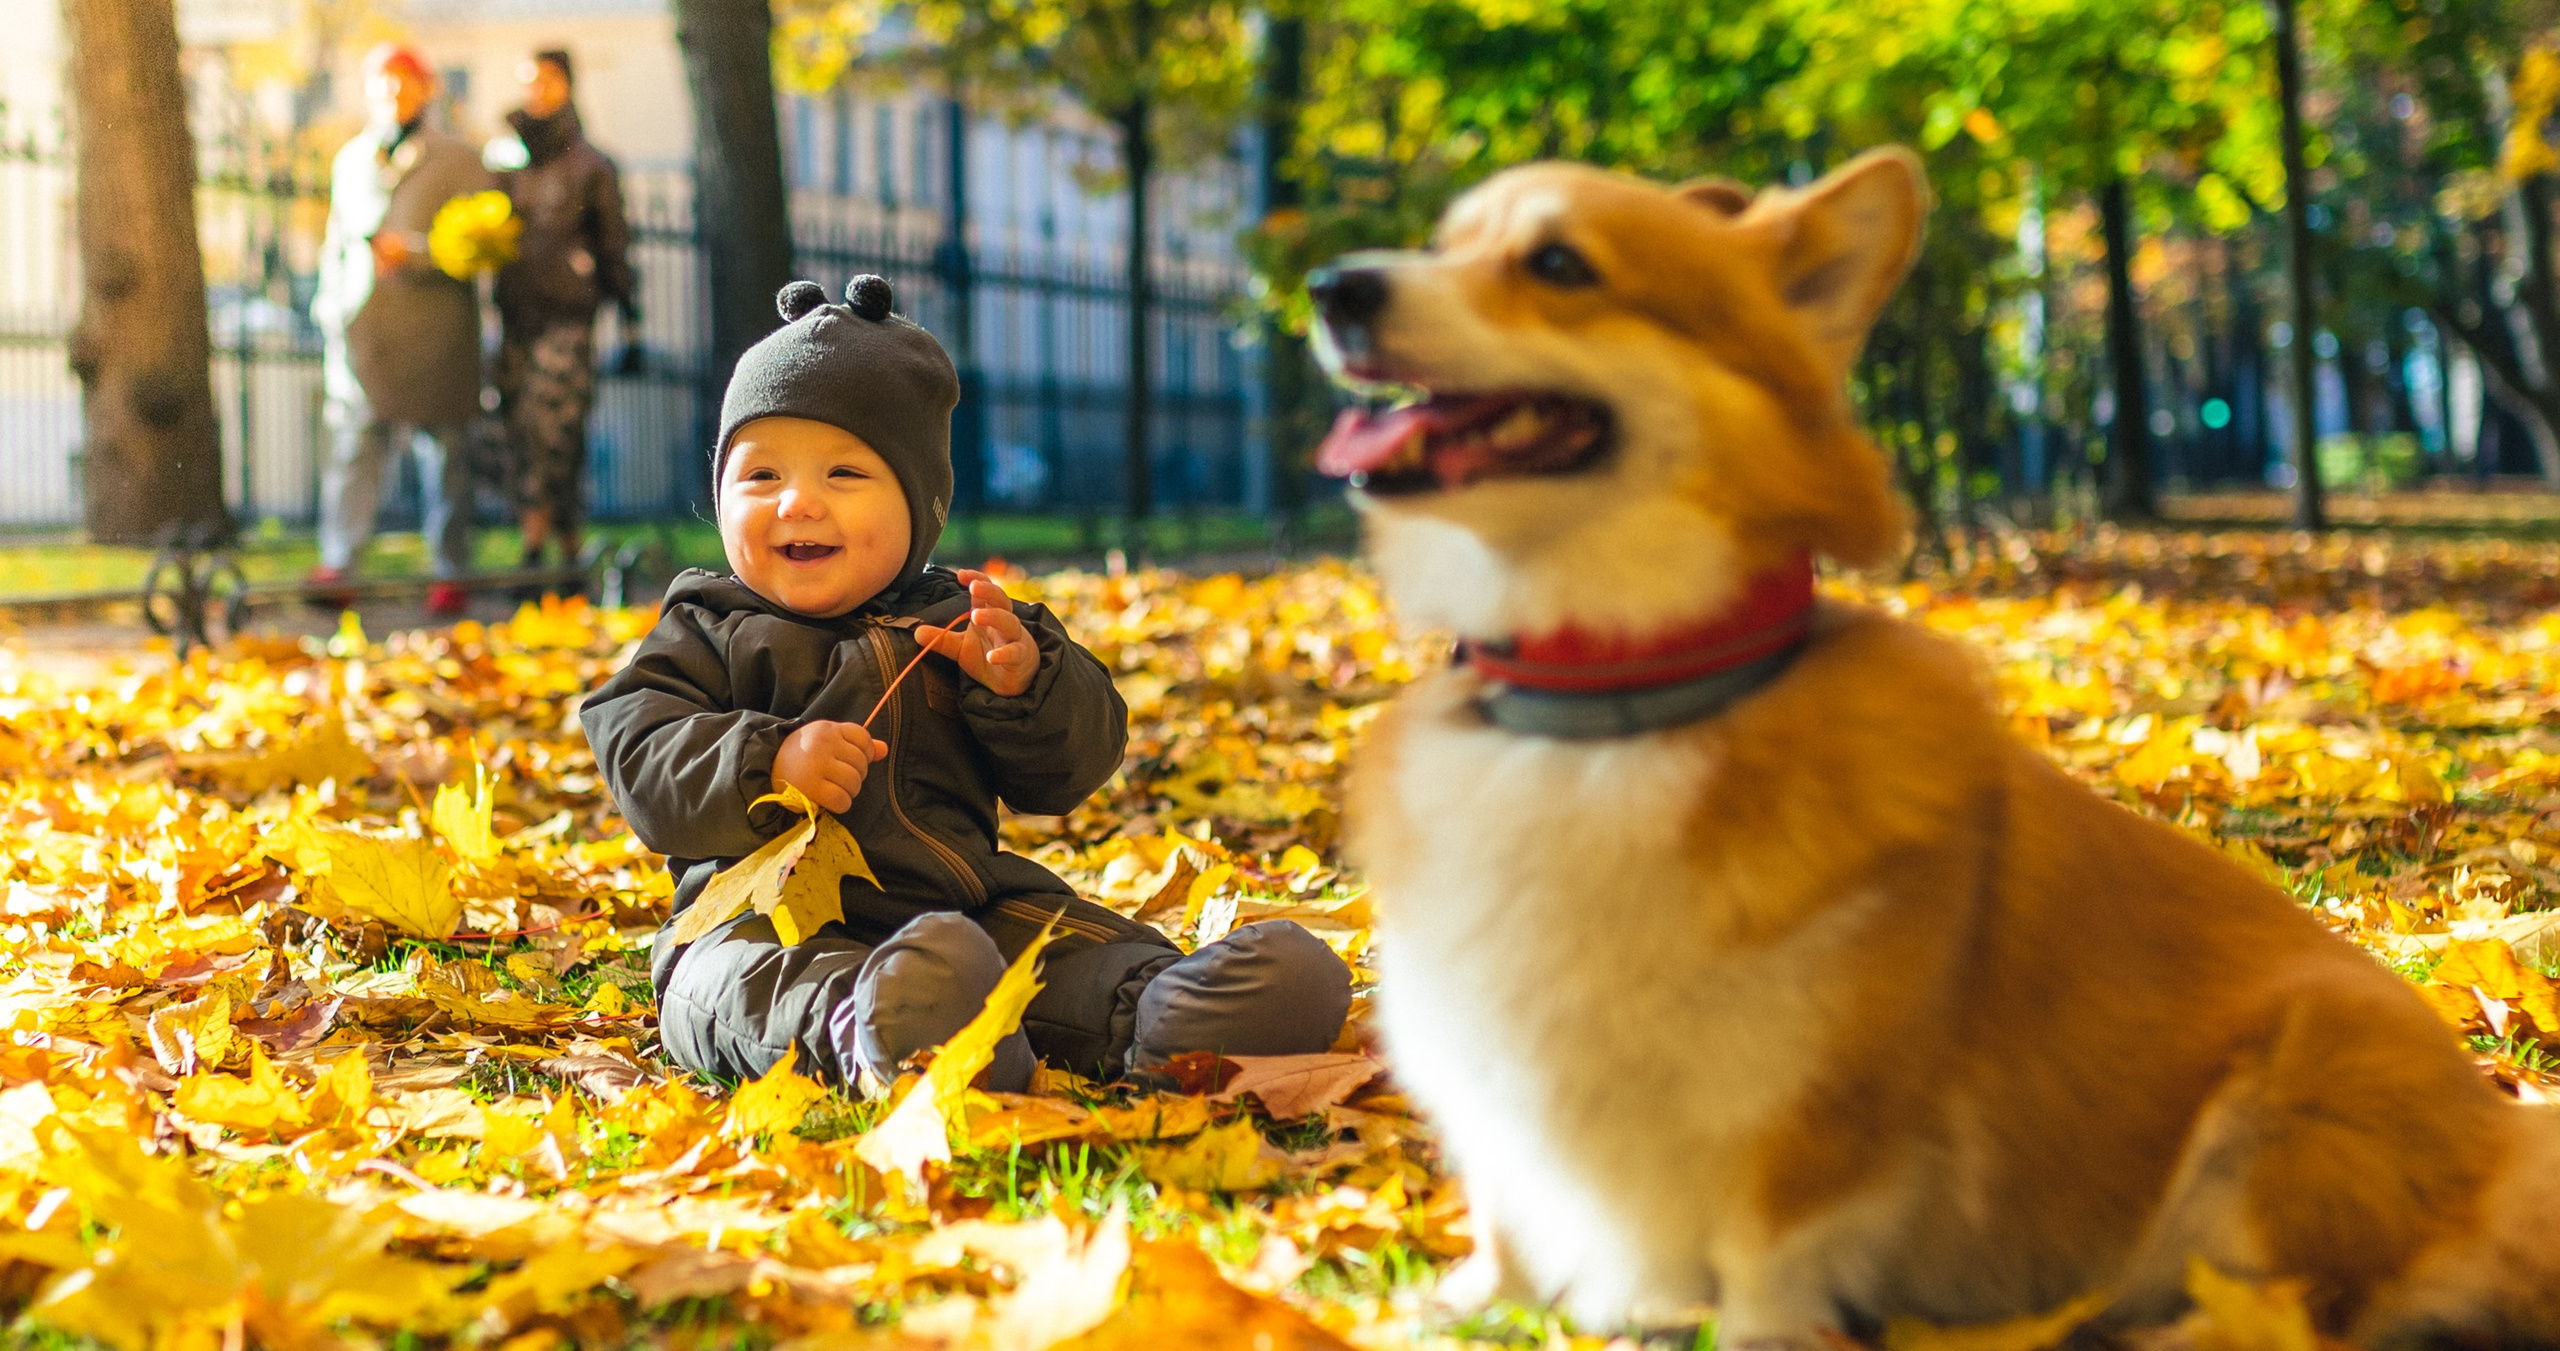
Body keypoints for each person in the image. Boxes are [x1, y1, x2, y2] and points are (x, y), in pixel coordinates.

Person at [580, 276, 1352, 1090]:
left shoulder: (963, 621)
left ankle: (1174, 1015)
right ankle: (879, 1029)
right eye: (761, 477)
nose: (797, 502)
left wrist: (1023, 685)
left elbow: (1075, 765)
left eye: (844, 474)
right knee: (726, 987)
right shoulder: (706, 628)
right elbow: (638, 748)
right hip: (764, 924)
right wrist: (766, 764)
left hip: (964, 912)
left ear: (922, 503)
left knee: (1060, 940)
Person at [309, 43, 492, 618]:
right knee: (355, 445)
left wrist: (415, 255)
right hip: (363, 332)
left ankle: (449, 569)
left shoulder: (462, 160)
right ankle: (340, 562)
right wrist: (328, 305)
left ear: (427, 89)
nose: (395, 95)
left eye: (406, 83)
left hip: (435, 328)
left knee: (443, 454)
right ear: (369, 91)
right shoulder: (350, 160)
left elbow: (483, 245)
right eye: (384, 84)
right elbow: (337, 241)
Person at [485, 48, 635, 581]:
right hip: (517, 316)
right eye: (529, 81)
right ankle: (570, 552)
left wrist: (631, 320)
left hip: (568, 318)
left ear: (568, 85)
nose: (537, 91)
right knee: (526, 430)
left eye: (547, 80)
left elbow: (615, 245)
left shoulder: (591, 165)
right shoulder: (506, 162)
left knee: (552, 427)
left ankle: (534, 551)